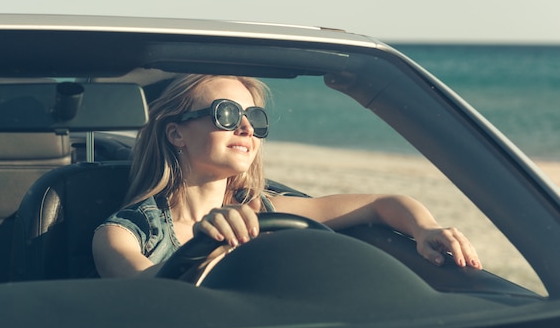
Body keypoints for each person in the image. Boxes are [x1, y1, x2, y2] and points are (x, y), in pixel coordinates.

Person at [92, 74, 482, 278]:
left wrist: (426, 228)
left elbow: (382, 204)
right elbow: (145, 292)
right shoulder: (122, 235)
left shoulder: (265, 211)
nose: (246, 128)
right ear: (176, 132)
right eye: (226, 114)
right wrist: (206, 245)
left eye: (255, 119)